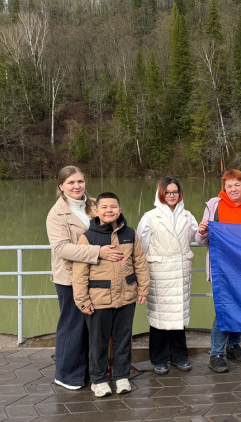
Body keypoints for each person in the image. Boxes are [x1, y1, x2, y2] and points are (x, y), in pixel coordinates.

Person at [46, 166, 123, 391]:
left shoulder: (95, 205)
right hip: (69, 277)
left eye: (80, 181)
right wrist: (98, 252)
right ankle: (67, 375)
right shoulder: (56, 214)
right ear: (61, 186)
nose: (77, 186)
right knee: (73, 326)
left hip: (97, 275)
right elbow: (61, 248)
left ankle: (90, 371)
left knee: (93, 327)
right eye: (71, 183)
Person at [72, 192, 150, 397]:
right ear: (96, 211)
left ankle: (121, 377)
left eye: (113, 207)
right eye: (104, 207)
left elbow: (140, 262)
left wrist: (143, 288)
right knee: (97, 343)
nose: (109, 210)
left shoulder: (130, 234)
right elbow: (79, 272)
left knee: (123, 340)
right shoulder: (88, 237)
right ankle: (99, 380)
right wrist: (82, 300)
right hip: (99, 300)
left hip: (126, 296)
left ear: (120, 210)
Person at [196, 169, 241, 373]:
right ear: (224, 188)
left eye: (237, 185)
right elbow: (201, 240)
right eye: (229, 186)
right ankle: (216, 353)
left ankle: (233, 345)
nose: (233, 189)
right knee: (224, 309)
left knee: (240, 306)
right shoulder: (214, 206)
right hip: (222, 268)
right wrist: (201, 231)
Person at [138, 177, 198, 375]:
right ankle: (159, 358)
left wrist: (206, 229)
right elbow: (141, 246)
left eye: (175, 192)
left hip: (180, 272)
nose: (172, 195)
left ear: (180, 194)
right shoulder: (149, 217)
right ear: (161, 193)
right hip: (159, 273)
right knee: (159, 318)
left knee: (178, 317)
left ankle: (180, 356)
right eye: (168, 192)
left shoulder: (188, 216)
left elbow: (197, 237)